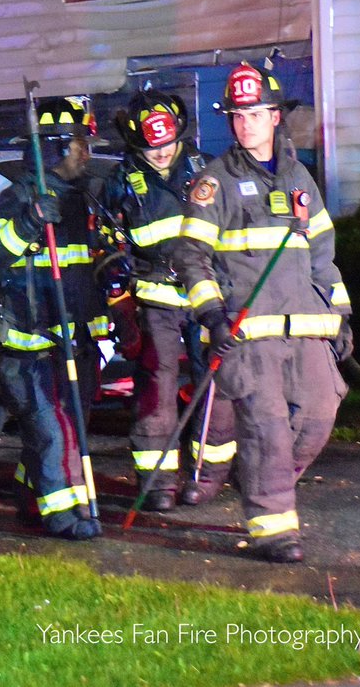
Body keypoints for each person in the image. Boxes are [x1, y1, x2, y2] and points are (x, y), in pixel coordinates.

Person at [174, 60, 352, 563]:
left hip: (308, 329)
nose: (244, 122)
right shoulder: (215, 182)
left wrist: (341, 315)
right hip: (249, 335)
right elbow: (191, 256)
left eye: (254, 112)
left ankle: (262, 480)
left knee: (319, 417)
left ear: (276, 116)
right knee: (268, 428)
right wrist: (212, 316)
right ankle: (272, 529)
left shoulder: (300, 178)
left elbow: (323, 256)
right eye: (236, 114)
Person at [0, 96, 107, 541]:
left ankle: (29, 499)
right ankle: (64, 517)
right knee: (53, 432)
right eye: (78, 143)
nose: (86, 153)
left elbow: (89, 272)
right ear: (52, 148)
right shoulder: (17, 198)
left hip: (77, 342)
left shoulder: (80, 200)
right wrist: (30, 222)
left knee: (61, 431)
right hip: (29, 347)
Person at [101, 90, 237, 510]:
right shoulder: (122, 182)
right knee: (155, 386)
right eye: (149, 148)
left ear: (181, 135)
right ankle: (157, 482)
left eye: (166, 145)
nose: (159, 154)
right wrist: (120, 305)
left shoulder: (207, 172)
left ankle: (206, 476)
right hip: (156, 297)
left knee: (216, 382)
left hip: (209, 295)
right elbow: (107, 247)